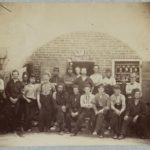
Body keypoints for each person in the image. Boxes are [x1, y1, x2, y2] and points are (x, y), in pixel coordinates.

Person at [5, 70, 23, 134]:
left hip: (17, 101)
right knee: (8, 114)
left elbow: (21, 93)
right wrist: (10, 98)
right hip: (9, 100)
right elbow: (6, 91)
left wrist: (16, 99)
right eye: (14, 74)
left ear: (18, 75)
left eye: (16, 74)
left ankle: (14, 129)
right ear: (12, 75)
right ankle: (8, 129)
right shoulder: (9, 82)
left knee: (16, 114)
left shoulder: (20, 83)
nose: (15, 75)